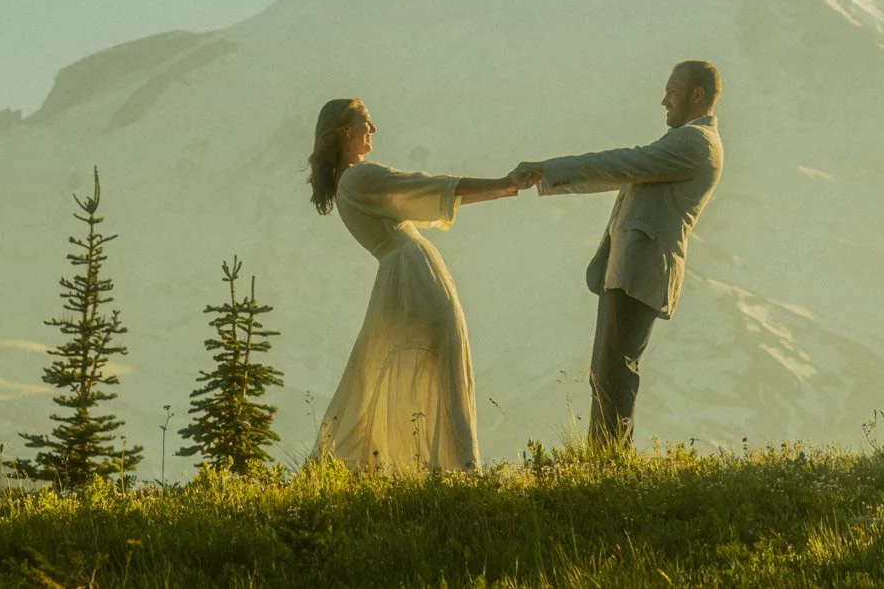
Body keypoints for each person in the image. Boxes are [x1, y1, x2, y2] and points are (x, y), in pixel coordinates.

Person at [511, 60, 725, 450]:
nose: (664, 100)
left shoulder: (696, 142)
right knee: (606, 372)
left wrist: (548, 170)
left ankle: (610, 462)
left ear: (697, 94)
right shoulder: (688, 142)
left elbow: (620, 164)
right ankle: (605, 459)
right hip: (627, 269)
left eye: (671, 90)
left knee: (615, 373)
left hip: (639, 270)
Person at [306, 97, 524, 471]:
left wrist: (500, 189)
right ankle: (459, 467)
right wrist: (502, 183)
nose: (372, 130)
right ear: (346, 131)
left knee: (385, 368)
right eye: (366, 122)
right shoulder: (358, 177)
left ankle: (421, 464)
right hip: (415, 278)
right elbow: (425, 187)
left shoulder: (346, 185)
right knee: (443, 366)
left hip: (399, 280)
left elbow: (428, 194)